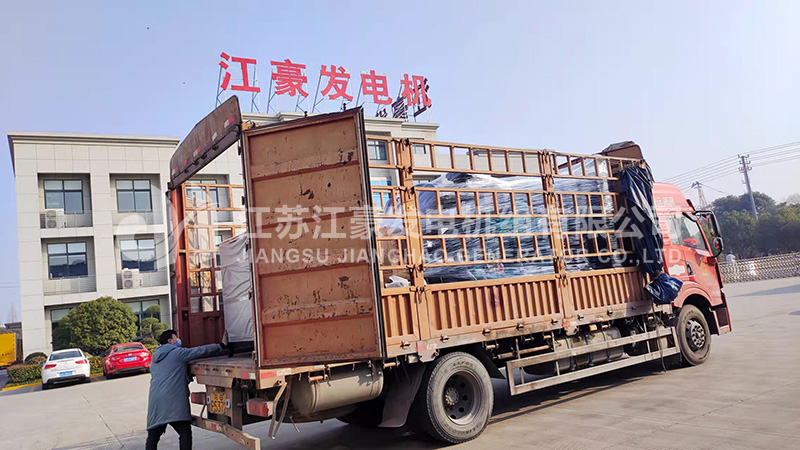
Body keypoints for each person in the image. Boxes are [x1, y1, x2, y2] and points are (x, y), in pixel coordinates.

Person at [145, 329, 226, 450]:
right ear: (170, 341)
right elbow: (199, 351)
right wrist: (220, 346)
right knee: (184, 432)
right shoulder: (177, 353)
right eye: (176, 338)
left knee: (153, 435)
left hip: (156, 401)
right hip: (173, 400)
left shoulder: (155, 359)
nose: (178, 340)